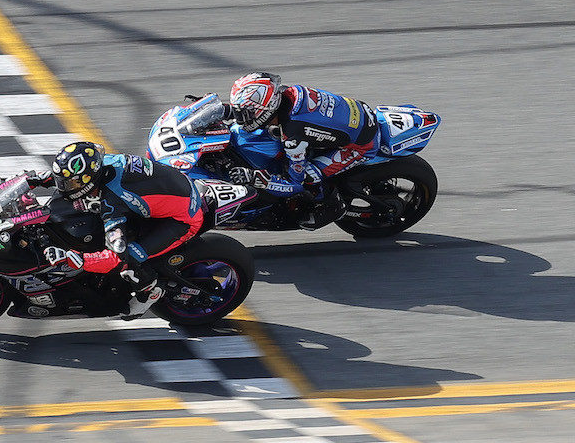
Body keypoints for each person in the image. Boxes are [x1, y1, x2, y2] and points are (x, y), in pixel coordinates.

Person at [26, 141, 205, 319]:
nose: (64, 187)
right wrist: (45, 178)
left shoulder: (111, 202)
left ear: (89, 180)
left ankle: (149, 292)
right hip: (170, 191)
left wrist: (78, 259)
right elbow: (74, 174)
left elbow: (116, 258)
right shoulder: (103, 163)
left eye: (69, 184)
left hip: (182, 219)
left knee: (129, 257)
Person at [221, 72, 379, 228]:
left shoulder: (293, 133)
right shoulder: (288, 93)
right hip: (358, 113)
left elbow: (295, 182)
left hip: (362, 146)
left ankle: (333, 206)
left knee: (309, 176)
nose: (241, 118)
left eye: (245, 114)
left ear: (266, 109)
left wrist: (253, 177)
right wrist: (223, 111)